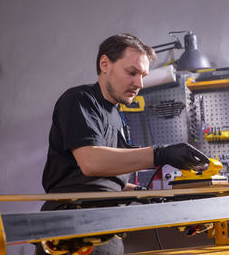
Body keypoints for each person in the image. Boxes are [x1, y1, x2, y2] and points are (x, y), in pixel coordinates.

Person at [35, 33, 209, 255]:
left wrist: (146, 195)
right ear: (105, 64)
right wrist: (160, 154)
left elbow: (104, 183)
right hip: (71, 230)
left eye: (143, 75)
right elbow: (91, 163)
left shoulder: (117, 116)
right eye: (132, 72)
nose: (140, 83)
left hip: (108, 226)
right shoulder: (79, 101)